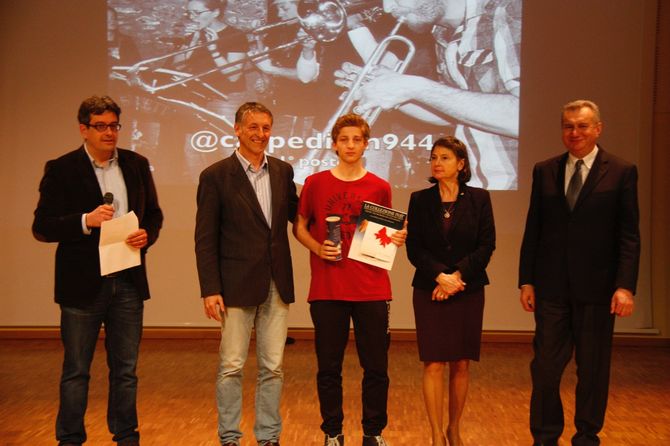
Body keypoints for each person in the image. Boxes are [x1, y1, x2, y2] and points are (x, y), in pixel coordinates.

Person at [32, 95, 163, 446]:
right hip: (82, 285)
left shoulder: (136, 164)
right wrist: (84, 221)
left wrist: (146, 235)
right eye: (100, 126)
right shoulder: (62, 168)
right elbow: (42, 227)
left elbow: (154, 214)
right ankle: (70, 438)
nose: (109, 133)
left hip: (128, 281)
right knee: (76, 369)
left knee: (126, 370)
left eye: (114, 126)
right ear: (83, 129)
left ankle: (126, 435)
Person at [518, 100, 640, 446]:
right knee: (544, 368)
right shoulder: (545, 170)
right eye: (568, 126)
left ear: (598, 129)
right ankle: (545, 437)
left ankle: (587, 436)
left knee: (593, 370)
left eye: (582, 126)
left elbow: (629, 235)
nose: (575, 133)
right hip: (551, 289)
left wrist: (625, 286)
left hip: (599, 291)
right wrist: (526, 280)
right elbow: (534, 228)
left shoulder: (621, 171)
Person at [293, 113, 407, 446]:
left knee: (376, 368)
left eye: (357, 139)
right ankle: (333, 433)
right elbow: (299, 226)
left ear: (366, 144)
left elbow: (386, 233)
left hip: (372, 288)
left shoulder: (380, 187)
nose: (350, 145)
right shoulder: (315, 183)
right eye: (344, 139)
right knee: (329, 368)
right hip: (328, 289)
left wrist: (397, 237)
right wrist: (317, 247)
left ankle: (373, 433)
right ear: (334, 144)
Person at [195, 102, 298, 446]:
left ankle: (269, 437)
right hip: (234, 286)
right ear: (237, 129)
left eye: (266, 127)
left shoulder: (283, 171)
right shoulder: (215, 176)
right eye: (253, 127)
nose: (261, 134)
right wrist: (210, 288)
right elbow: (205, 238)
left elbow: (300, 218)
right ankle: (229, 437)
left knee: (274, 367)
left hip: (276, 284)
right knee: (231, 366)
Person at [335, 0, 521, 190]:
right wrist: (395, 93)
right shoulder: (443, 33)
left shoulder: (509, 10)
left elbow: (524, 118)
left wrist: (415, 88)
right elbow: (453, 115)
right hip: (476, 183)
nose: (387, 8)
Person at [406, 136, 495, 446]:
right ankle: (435, 434)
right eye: (434, 157)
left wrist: (456, 277)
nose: (437, 163)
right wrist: (440, 277)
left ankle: (454, 429)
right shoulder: (420, 199)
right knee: (433, 362)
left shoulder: (480, 198)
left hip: (467, 289)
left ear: (461, 164)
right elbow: (414, 249)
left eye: (444, 158)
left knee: (461, 362)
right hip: (429, 288)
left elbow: (486, 245)